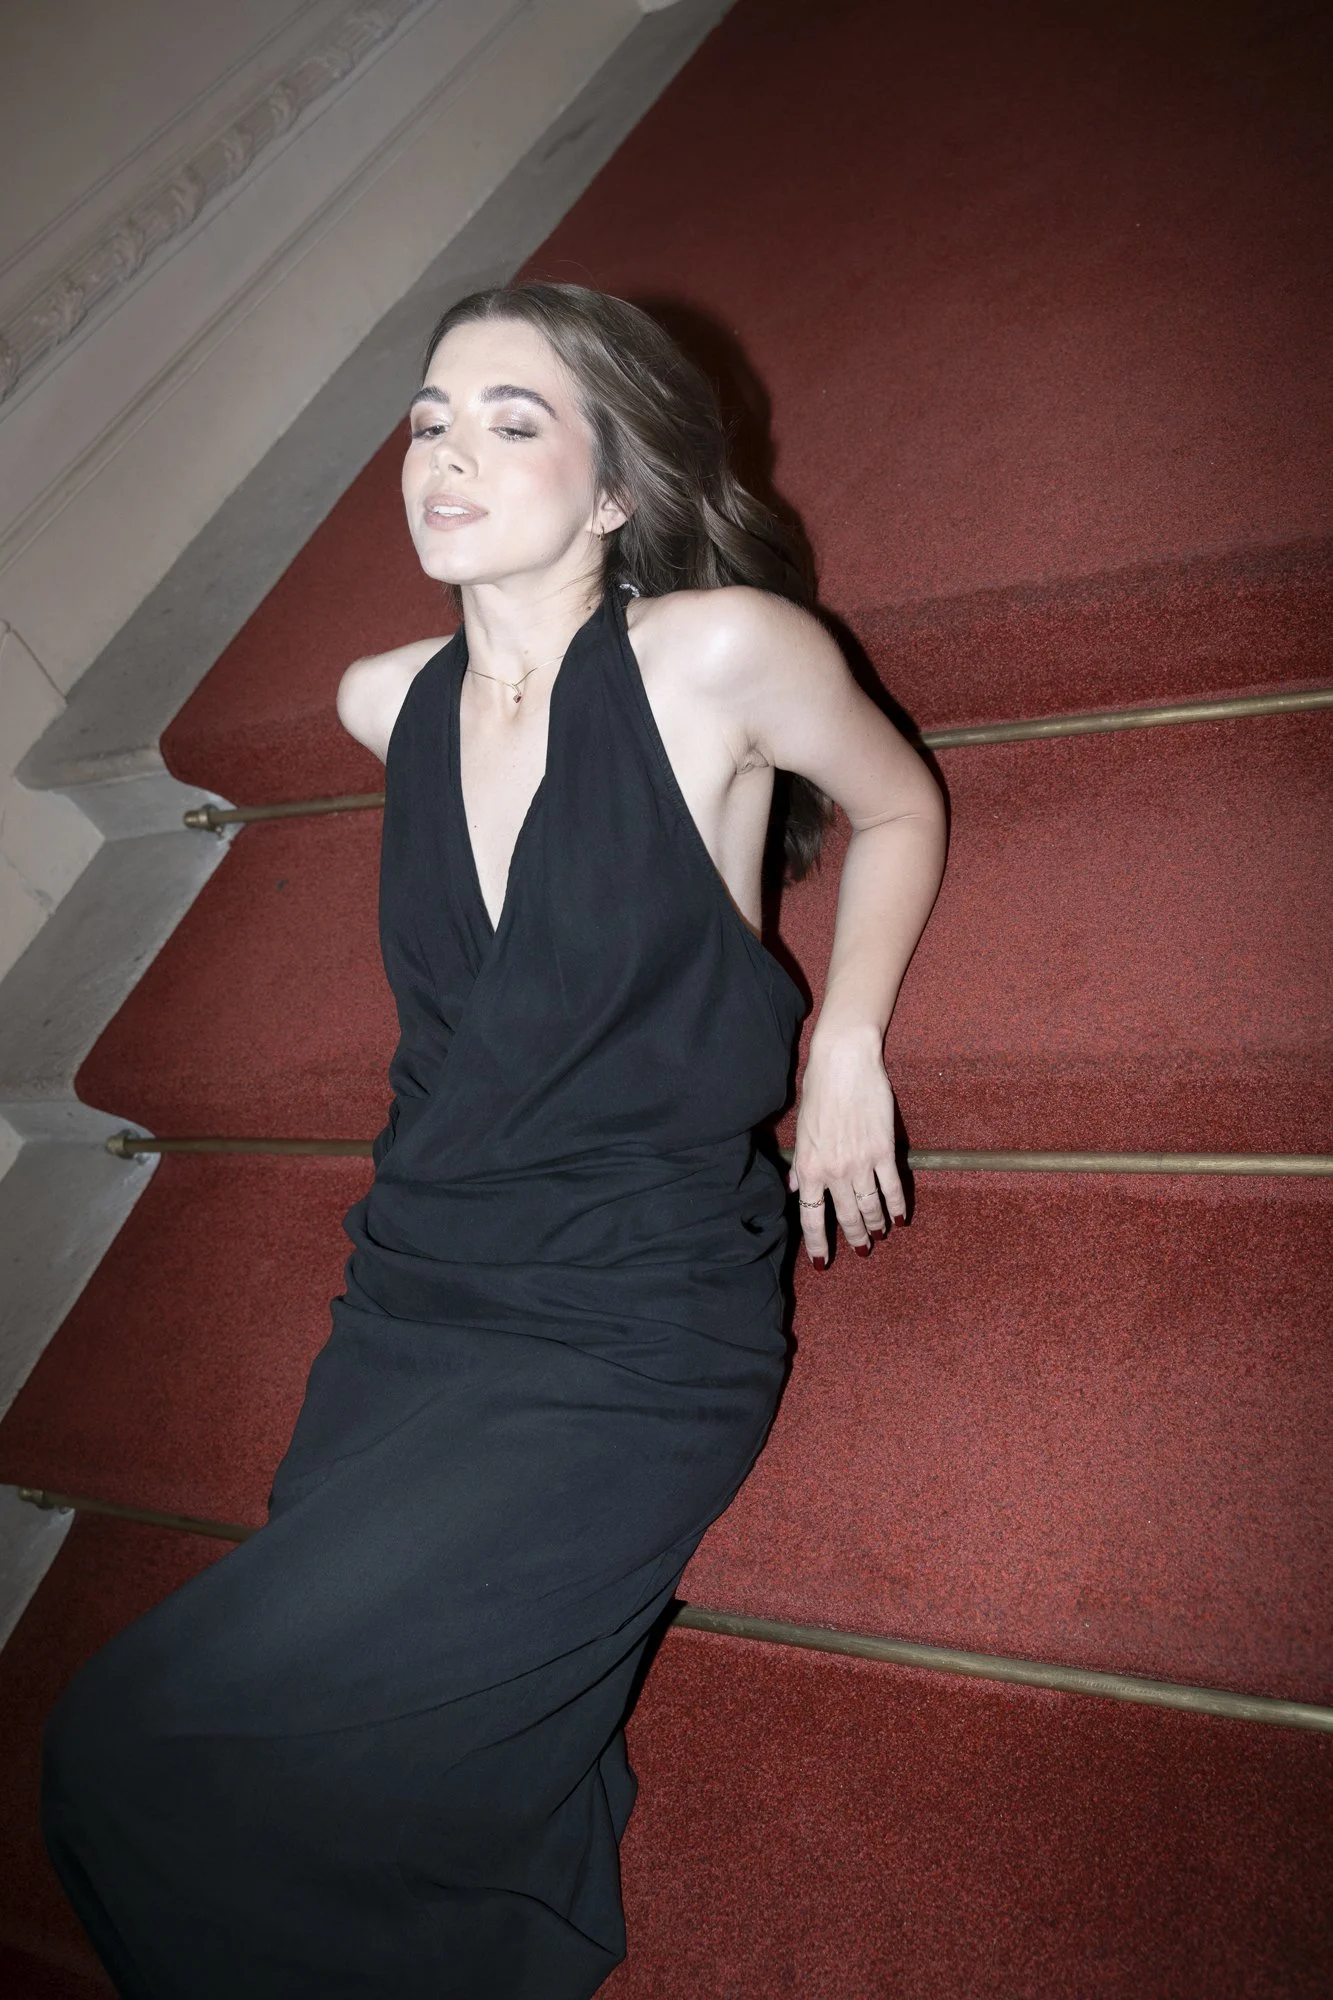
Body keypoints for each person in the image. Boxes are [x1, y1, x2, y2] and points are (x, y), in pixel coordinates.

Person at [40, 282, 946, 1998]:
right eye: (429, 421)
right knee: (304, 1747)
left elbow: (901, 798)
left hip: (630, 1316)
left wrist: (845, 1037)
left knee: (129, 1752)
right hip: (419, 1295)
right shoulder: (385, 700)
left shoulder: (721, 652)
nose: (447, 456)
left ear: (616, 486)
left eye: (511, 421)